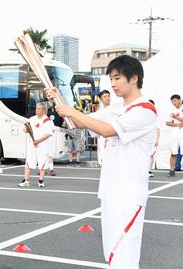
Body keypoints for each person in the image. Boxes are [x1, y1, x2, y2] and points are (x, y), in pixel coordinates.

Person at [45, 55, 157, 268]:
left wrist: (70, 110)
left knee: (125, 257)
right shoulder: (116, 109)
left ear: (134, 78)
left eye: (117, 78)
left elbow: (106, 130)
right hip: (110, 192)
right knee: (113, 255)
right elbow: (80, 123)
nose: (112, 84)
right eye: (111, 79)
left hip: (128, 196)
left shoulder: (144, 111)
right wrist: (59, 100)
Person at [18, 102, 53, 188]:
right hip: (32, 145)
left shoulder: (47, 120)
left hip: (42, 145)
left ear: (44, 110)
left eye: (38, 109)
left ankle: (41, 181)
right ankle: (26, 180)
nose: (36, 110)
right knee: (29, 161)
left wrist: (38, 141)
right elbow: (26, 128)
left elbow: (48, 133)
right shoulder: (32, 119)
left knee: (42, 162)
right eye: (36, 109)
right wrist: (26, 130)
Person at [166, 94, 183, 177]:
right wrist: (177, 124)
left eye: (175, 101)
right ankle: (172, 170)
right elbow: (167, 123)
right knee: (173, 153)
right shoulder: (171, 110)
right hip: (174, 135)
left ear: (179, 100)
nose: (173, 103)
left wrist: (175, 117)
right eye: (172, 101)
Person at [96, 90, 111, 166]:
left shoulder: (115, 110)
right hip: (103, 138)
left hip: (114, 137)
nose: (107, 98)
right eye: (105, 97)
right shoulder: (99, 113)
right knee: (104, 161)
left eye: (108, 96)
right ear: (101, 99)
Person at [148, 99, 161, 177]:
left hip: (152, 138)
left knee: (151, 155)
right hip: (143, 139)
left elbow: (158, 128)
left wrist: (157, 139)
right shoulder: (142, 115)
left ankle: (149, 170)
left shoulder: (156, 117)